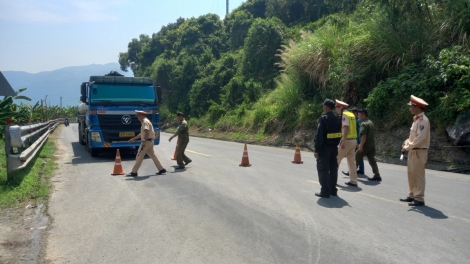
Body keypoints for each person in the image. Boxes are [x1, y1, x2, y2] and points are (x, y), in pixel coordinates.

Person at [400, 95, 430, 206]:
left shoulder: (423, 120)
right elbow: (412, 136)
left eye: (411, 106)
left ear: (417, 107)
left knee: (418, 175)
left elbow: (420, 138)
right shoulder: (416, 120)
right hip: (413, 150)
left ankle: (419, 198)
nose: (410, 108)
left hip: (419, 151)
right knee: (411, 174)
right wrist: (406, 143)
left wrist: (407, 147)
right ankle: (412, 195)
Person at [314, 99, 342, 198]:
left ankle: (325, 191)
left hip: (324, 148)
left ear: (326, 107)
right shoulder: (337, 118)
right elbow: (339, 134)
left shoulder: (324, 119)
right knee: (333, 169)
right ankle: (332, 190)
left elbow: (320, 136)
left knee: (323, 169)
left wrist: (317, 150)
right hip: (334, 148)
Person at [127, 110, 166, 176]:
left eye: (138, 116)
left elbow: (147, 132)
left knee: (139, 156)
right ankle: (161, 169)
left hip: (146, 142)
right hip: (150, 142)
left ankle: (134, 172)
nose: (138, 118)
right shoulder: (146, 121)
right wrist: (133, 139)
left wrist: (144, 141)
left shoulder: (145, 122)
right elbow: (142, 133)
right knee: (153, 156)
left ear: (141, 116)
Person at [335, 100, 359, 187]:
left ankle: (332, 179)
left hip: (347, 140)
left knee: (336, 159)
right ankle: (354, 181)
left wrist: (343, 140)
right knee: (352, 162)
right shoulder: (351, 114)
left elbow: (346, 127)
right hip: (353, 140)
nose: (336, 109)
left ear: (341, 108)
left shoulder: (344, 115)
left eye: (337, 107)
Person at [355, 109, 382, 182]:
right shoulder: (370, 122)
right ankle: (377, 175)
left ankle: (352, 175)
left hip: (365, 145)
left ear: (363, 115)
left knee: (356, 158)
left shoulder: (363, 124)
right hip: (371, 145)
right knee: (372, 160)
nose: (358, 116)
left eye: (359, 115)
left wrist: (360, 146)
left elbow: (364, 136)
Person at [342, 107, 365, 176]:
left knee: (353, 157)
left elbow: (358, 132)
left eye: (352, 112)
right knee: (358, 155)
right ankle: (361, 169)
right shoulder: (357, 120)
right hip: (357, 140)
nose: (351, 113)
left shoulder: (357, 121)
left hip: (356, 140)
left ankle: (352, 171)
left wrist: (358, 142)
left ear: (355, 113)